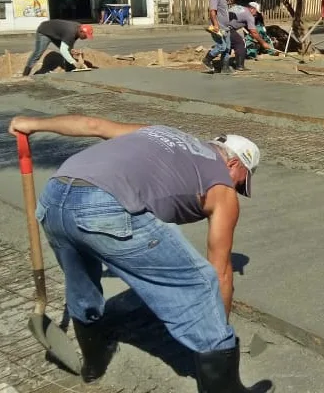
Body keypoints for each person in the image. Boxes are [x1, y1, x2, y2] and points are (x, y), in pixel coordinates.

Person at [8, 115, 270, 392]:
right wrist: (218, 329)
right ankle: (224, 387)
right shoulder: (222, 189)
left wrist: (32, 124)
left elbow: (93, 126)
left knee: (81, 283)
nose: (238, 190)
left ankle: (93, 364)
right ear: (233, 164)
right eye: (242, 182)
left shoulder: (161, 132)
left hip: (56, 194)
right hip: (105, 206)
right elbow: (221, 272)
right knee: (201, 283)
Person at [22, 20, 93, 76]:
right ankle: (25, 74)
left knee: (68, 51)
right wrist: (74, 62)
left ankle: (70, 72)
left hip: (56, 33)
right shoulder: (70, 32)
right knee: (38, 53)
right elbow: (63, 50)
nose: (86, 37)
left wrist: (72, 51)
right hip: (45, 32)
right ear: (81, 32)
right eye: (85, 35)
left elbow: (68, 47)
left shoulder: (78, 30)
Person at [228, 0, 276, 71]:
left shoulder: (240, 7)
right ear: (252, 9)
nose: (256, 14)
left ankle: (224, 65)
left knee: (226, 45)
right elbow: (254, 32)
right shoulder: (249, 15)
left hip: (219, 25)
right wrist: (263, 43)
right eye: (256, 12)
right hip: (227, 28)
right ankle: (240, 66)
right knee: (240, 44)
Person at [203, 0, 235, 75]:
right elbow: (212, 11)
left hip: (226, 28)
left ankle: (225, 67)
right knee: (222, 46)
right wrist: (216, 25)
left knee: (227, 48)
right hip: (218, 28)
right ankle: (207, 59)